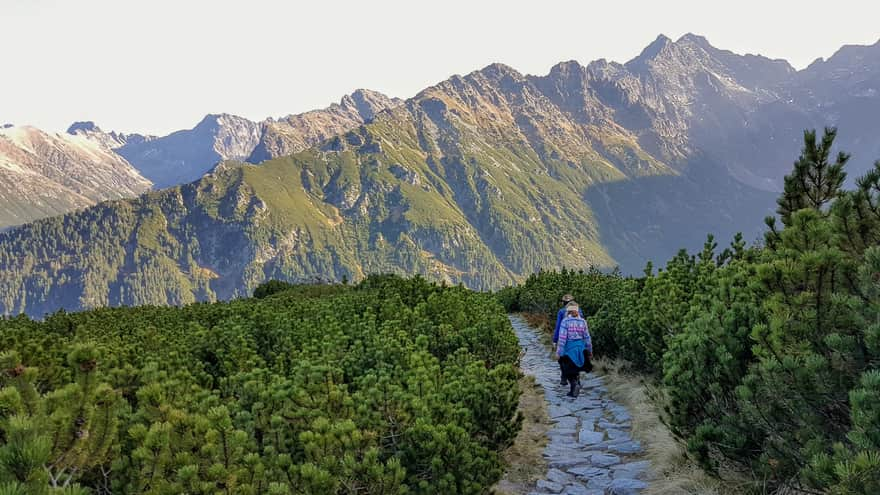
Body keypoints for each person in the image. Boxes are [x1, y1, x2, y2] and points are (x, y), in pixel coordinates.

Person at [556, 302, 593, 398]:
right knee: (576, 368)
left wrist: (559, 352)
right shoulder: (583, 322)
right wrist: (589, 350)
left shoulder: (565, 321)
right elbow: (587, 337)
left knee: (567, 369)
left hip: (569, 348)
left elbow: (562, 338)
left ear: (568, 311)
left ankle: (574, 385)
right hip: (581, 348)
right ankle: (574, 388)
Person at [553, 294, 584, 385]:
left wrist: (555, 340)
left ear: (564, 303)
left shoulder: (561, 311)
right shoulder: (579, 311)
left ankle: (564, 377)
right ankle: (577, 377)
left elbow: (558, 327)